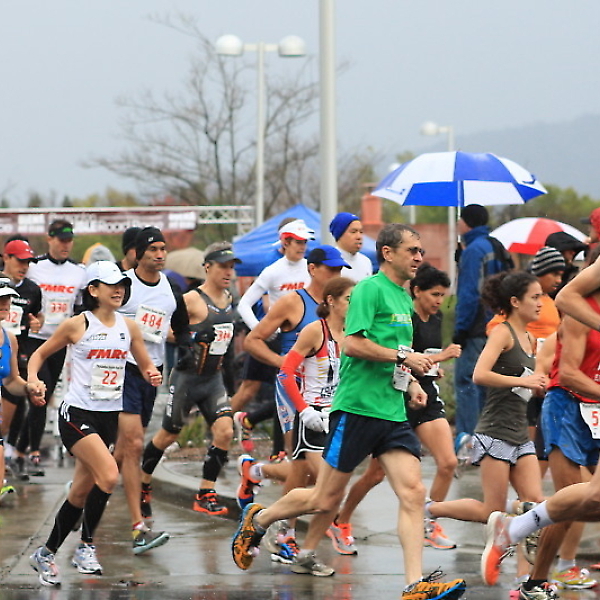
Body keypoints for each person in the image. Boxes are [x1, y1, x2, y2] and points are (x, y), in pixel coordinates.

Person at [232, 224, 467, 600]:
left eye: (421, 251)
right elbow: (354, 345)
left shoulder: (403, 297)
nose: (419, 257)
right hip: (357, 410)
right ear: (388, 253)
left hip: (392, 412)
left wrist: (412, 382)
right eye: (412, 250)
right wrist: (404, 356)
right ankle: (259, 518)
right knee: (323, 499)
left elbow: (397, 357)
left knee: (412, 492)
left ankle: (414, 584)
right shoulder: (370, 290)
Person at [27, 261, 162, 587]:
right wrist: (33, 380)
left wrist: (151, 374)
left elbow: (145, 363)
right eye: (111, 285)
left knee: (80, 492)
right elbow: (39, 355)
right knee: (109, 475)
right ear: (93, 289)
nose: (119, 290)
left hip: (108, 418)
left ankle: (46, 553)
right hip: (76, 415)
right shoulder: (77, 325)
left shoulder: (129, 327)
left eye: (122, 285)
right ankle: (86, 546)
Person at [325, 264, 462, 556]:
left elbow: (418, 360)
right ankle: (341, 519)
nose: (439, 301)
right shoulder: (401, 312)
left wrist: (430, 369)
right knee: (373, 475)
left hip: (422, 395)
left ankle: (427, 522)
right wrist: (441, 356)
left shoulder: (435, 319)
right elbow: (395, 354)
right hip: (391, 398)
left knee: (448, 462)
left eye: (443, 295)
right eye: (434, 294)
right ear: (417, 292)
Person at [429, 271, 546, 583]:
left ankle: (524, 580)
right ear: (515, 301)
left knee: (534, 508)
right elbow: (479, 374)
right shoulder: (502, 333)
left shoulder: (531, 339)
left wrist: (538, 386)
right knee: (489, 511)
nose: (540, 303)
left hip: (520, 432)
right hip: (495, 432)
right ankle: (429, 509)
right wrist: (524, 382)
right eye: (535, 297)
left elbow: (524, 383)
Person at [241, 244, 349, 565]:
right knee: (308, 468)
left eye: (340, 270)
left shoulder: (343, 311)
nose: (336, 274)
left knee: (302, 468)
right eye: (331, 269)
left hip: (327, 399)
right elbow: (252, 340)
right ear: (312, 269)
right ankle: (284, 533)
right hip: (295, 395)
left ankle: (256, 472)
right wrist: (285, 364)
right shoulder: (293, 301)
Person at [140, 242, 239, 517]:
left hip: (213, 380)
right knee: (168, 435)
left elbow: (228, 344)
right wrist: (193, 337)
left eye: (231, 267)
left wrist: (231, 381)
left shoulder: (229, 299)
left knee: (225, 431)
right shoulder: (191, 300)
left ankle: (206, 493)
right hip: (187, 378)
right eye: (223, 267)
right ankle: (143, 483)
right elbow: (162, 330)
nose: (228, 272)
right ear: (207, 268)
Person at [114, 227, 190, 554]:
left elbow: (182, 326)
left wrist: (187, 346)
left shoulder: (171, 288)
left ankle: (90, 484)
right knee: (134, 444)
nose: (160, 255)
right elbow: (95, 317)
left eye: (163, 249)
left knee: (124, 448)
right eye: (153, 249)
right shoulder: (123, 285)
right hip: (122, 370)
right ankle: (138, 526)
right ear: (138, 253)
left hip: (152, 372)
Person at [232, 218, 315, 455]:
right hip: (278, 340)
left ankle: (287, 451)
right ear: (285, 242)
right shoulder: (273, 270)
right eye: (298, 242)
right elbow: (244, 304)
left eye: (305, 242)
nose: (302, 247)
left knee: (299, 394)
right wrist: (261, 331)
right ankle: (278, 453)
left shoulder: (311, 267)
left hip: (306, 339)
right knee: (279, 394)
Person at [18, 219, 86, 476]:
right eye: (61, 240)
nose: (65, 245)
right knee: (38, 394)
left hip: (59, 342)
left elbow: (81, 306)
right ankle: (32, 452)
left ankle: (19, 449)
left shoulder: (78, 272)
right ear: (50, 239)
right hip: (34, 341)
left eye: (69, 241)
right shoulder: (35, 267)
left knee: (41, 400)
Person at [453, 204, 510, 446]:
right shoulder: (496, 246)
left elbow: (470, 293)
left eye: (460, 220)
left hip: (477, 328)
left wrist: (461, 329)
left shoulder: (474, 250)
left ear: (466, 223)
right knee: (489, 383)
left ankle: (468, 439)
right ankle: (491, 437)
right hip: (499, 325)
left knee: (467, 381)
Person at [0, 274, 45, 505]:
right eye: (0, 299)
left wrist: (29, 387)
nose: (5, 304)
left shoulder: (9, 338)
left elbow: (10, 381)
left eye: (8, 298)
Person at [329, 212, 373, 281]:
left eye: (361, 232)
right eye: (353, 232)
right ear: (340, 235)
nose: (359, 237)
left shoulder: (366, 262)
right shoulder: (329, 262)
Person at [545, 231, 587, 296]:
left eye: (574, 250)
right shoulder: (539, 276)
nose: (573, 253)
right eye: (569, 250)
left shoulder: (575, 275)